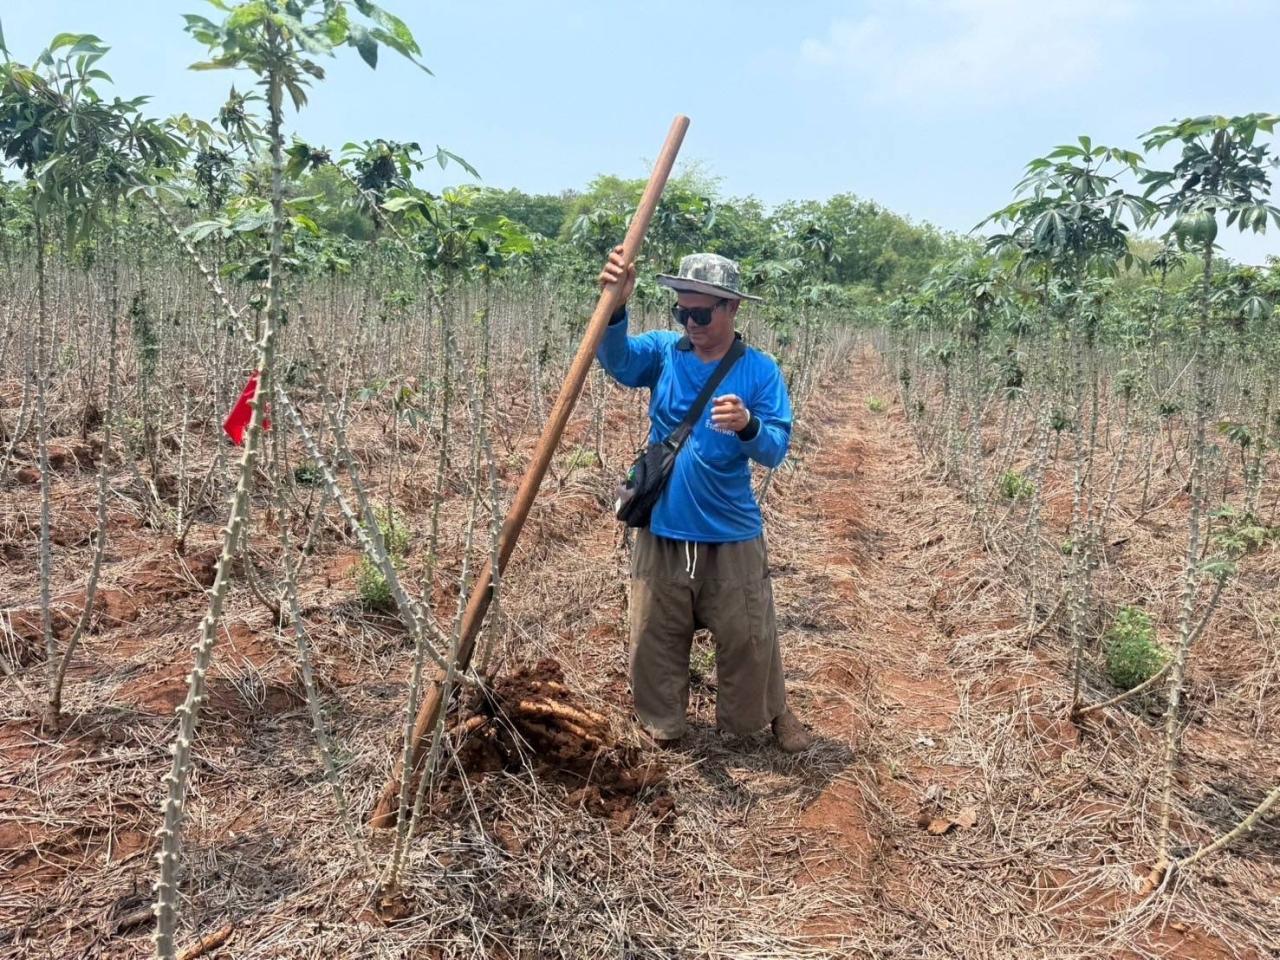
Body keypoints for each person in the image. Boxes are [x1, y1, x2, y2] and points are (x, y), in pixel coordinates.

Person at [596, 246, 813, 753]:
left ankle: (765, 714)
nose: (690, 324)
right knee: (654, 633)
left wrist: (748, 425)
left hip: (730, 530)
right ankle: (662, 726)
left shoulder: (759, 371)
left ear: (731, 308)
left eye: (701, 314)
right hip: (664, 525)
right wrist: (616, 306)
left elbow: (775, 449)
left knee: (749, 635)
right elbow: (617, 361)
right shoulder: (663, 353)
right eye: (682, 312)